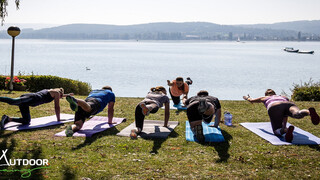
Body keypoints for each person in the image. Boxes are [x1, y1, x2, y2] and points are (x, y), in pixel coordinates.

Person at [243, 89, 320, 142]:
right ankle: (308, 112)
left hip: (274, 106)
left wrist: (247, 97)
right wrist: (285, 123)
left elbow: (251, 100)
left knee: (277, 131)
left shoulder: (265, 97)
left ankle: (285, 130)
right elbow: (285, 114)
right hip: (288, 104)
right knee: (297, 113)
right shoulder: (283, 97)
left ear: (267, 94)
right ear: (275, 93)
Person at [0, 88, 71, 129]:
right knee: (13, 101)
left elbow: (60, 95)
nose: (60, 98)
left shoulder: (53, 92)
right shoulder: (56, 93)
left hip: (27, 103)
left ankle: (7, 118)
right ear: (60, 93)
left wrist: (67, 95)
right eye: (61, 96)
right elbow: (57, 107)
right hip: (31, 98)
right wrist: (58, 119)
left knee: (26, 121)